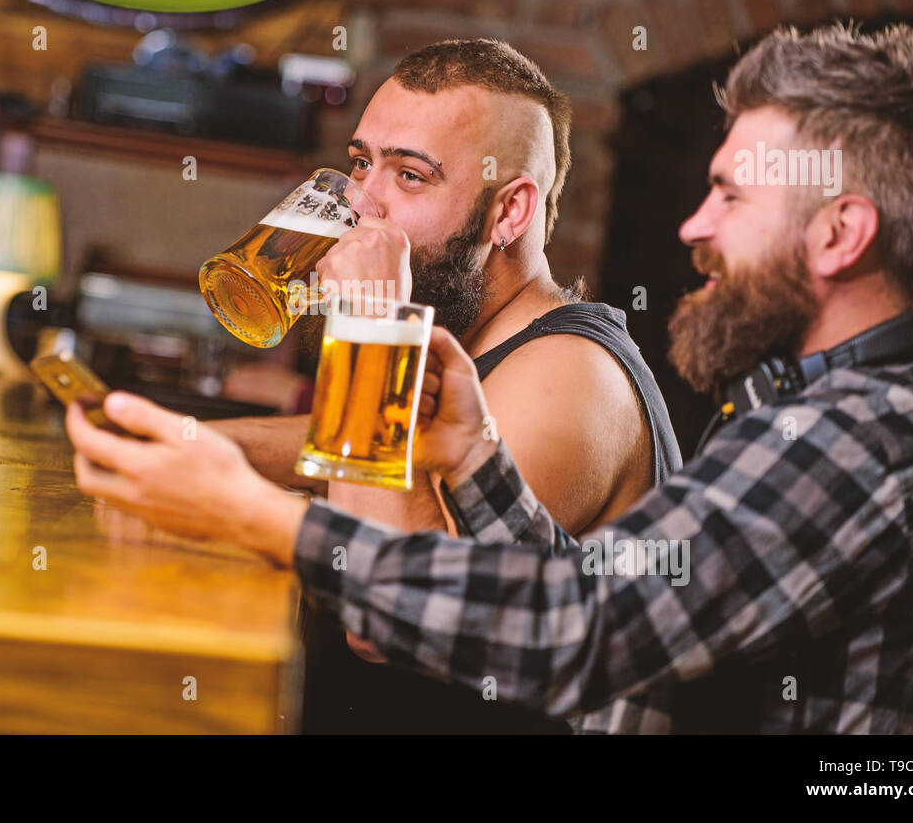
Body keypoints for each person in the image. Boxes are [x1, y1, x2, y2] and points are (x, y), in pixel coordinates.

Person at [68, 22, 913, 732]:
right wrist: (473, 456)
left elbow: (577, 628)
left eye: (733, 199)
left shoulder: (859, 442)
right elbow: (609, 606)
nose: (693, 227)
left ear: (840, 234)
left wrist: (258, 492)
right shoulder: (821, 410)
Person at [209, 38, 681, 731]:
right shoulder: (475, 341)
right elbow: (365, 449)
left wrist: (371, 329)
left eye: (411, 177)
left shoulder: (572, 376)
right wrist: (198, 444)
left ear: (510, 213)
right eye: (362, 163)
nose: (360, 205)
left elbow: (385, 619)